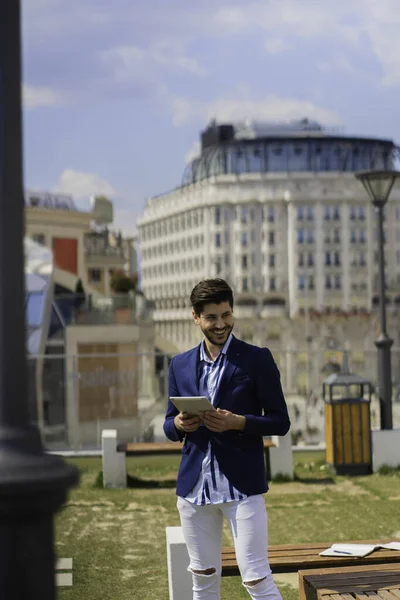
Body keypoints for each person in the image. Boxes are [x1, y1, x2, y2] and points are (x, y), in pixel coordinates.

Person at [164, 278, 290, 600]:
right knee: (202, 581)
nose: (221, 325)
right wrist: (179, 423)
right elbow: (168, 426)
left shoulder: (257, 359)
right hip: (194, 491)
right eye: (212, 318)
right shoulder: (179, 365)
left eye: (226, 315)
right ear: (196, 317)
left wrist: (238, 422)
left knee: (257, 580)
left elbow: (281, 421)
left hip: (242, 488)